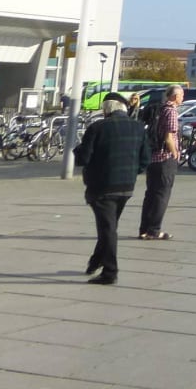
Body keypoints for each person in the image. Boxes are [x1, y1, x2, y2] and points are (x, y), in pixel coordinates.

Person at [74, 91, 150, 285]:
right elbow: (145, 159)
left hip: (102, 187)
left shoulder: (97, 128)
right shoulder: (138, 127)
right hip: (126, 186)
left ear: (106, 110)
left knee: (107, 229)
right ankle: (95, 261)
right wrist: (132, 172)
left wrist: (77, 149)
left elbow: (83, 159)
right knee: (109, 226)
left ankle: (110, 272)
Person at [138, 84, 183, 241]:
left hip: (154, 157)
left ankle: (144, 229)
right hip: (165, 158)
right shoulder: (171, 111)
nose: (182, 98)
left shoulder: (160, 109)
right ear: (174, 96)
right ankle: (154, 230)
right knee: (162, 194)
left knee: (150, 194)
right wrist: (175, 153)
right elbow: (169, 136)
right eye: (181, 95)